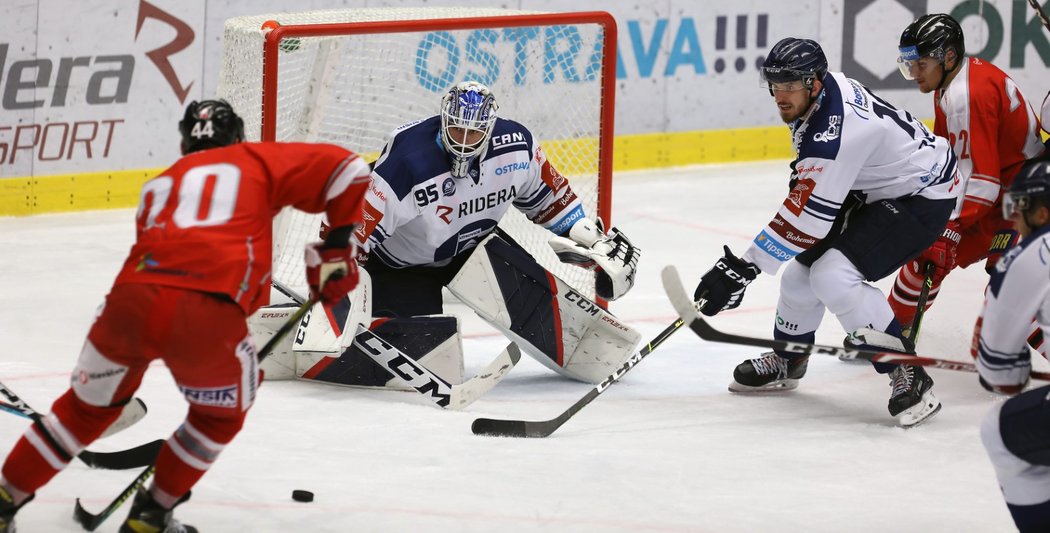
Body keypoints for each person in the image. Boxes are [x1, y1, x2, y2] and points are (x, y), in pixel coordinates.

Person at [0, 99, 371, 533]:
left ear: (183, 142)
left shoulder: (159, 185)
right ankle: (151, 516)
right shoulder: (255, 160)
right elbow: (349, 169)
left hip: (126, 304)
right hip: (205, 312)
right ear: (238, 138)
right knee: (217, 416)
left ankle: (5, 497)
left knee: (83, 412)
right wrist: (336, 249)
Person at [690, 37, 960, 427]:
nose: (780, 95)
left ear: (814, 82)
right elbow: (812, 204)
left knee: (833, 274)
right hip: (878, 187)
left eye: (790, 85)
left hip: (925, 194)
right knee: (801, 273)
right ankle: (790, 358)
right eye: (775, 85)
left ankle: (908, 372)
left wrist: (741, 269)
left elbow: (809, 221)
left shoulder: (835, 137)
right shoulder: (823, 92)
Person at [354, 80, 639, 318]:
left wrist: (594, 245)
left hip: (473, 253)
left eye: (474, 132)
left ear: (490, 128)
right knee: (424, 344)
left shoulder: (516, 148)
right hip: (399, 267)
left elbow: (553, 202)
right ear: (443, 121)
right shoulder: (408, 163)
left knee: (538, 300)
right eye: (456, 129)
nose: (464, 140)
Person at [888, 14, 1044, 337]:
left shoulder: (965, 95)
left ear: (948, 56)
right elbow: (958, 163)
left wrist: (951, 225)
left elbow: (983, 183)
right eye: (910, 65)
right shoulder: (950, 82)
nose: (914, 73)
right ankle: (890, 331)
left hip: (1024, 197)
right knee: (926, 251)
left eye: (921, 63)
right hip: (1006, 195)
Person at [976, 160, 1050, 532]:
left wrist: (1011, 366)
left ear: (1042, 212)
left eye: (1020, 208)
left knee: (999, 432)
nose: (1015, 220)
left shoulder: (1027, 258)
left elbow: (1001, 376)